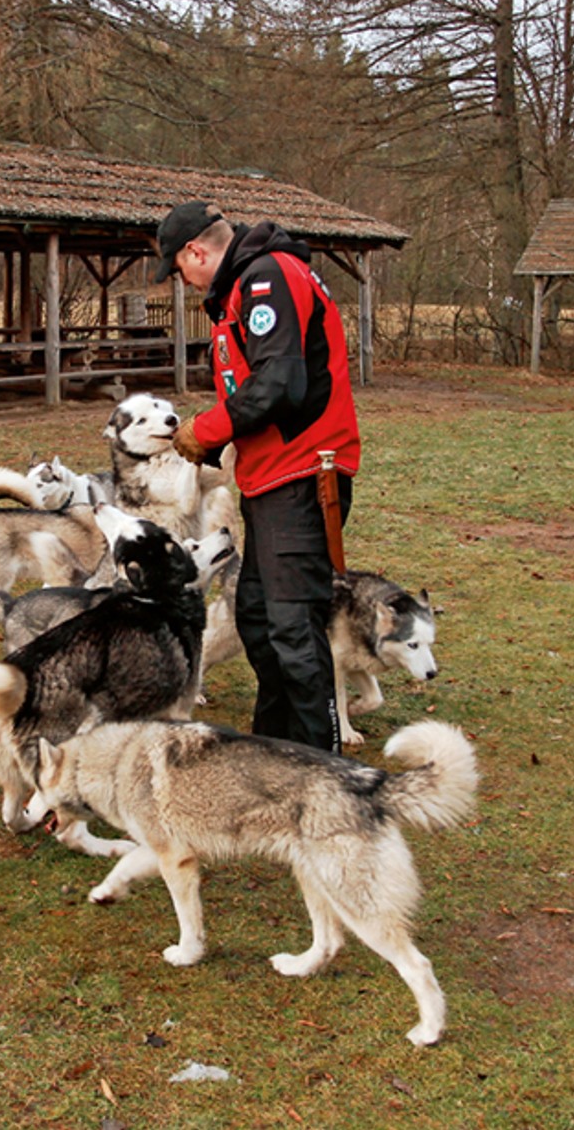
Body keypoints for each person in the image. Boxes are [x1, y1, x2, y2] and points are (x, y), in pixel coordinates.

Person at [154, 200, 361, 753]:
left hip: (301, 472)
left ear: (197, 251)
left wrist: (208, 429)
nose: (183, 280)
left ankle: (323, 770)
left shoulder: (268, 277)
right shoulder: (244, 287)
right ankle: (273, 753)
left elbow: (281, 383)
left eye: (179, 268)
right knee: (259, 619)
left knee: (293, 629)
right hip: (270, 478)